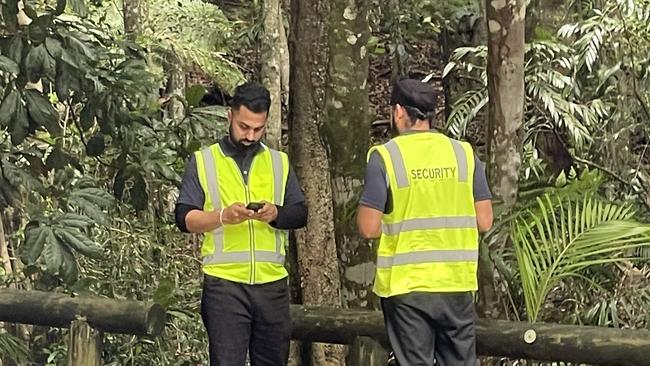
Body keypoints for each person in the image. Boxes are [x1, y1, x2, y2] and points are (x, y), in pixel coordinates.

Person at [356, 78, 493, 366]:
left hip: (407, 288)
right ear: (431, 115)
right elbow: (484, 221)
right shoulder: (463, 154)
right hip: (456, 284)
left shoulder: (385, 157)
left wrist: (399, 225)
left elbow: (368, 227)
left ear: (397, 112)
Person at [175, 81, 307, 366]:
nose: (250, 135)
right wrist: (222, 217)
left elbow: (300, 213)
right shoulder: (203, 161)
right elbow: (184, 218)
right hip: (225, 286)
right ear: (230, 116)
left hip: (272, 286)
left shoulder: (279, 162)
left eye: (257, 129)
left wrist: (275, 214)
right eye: (244, 127)